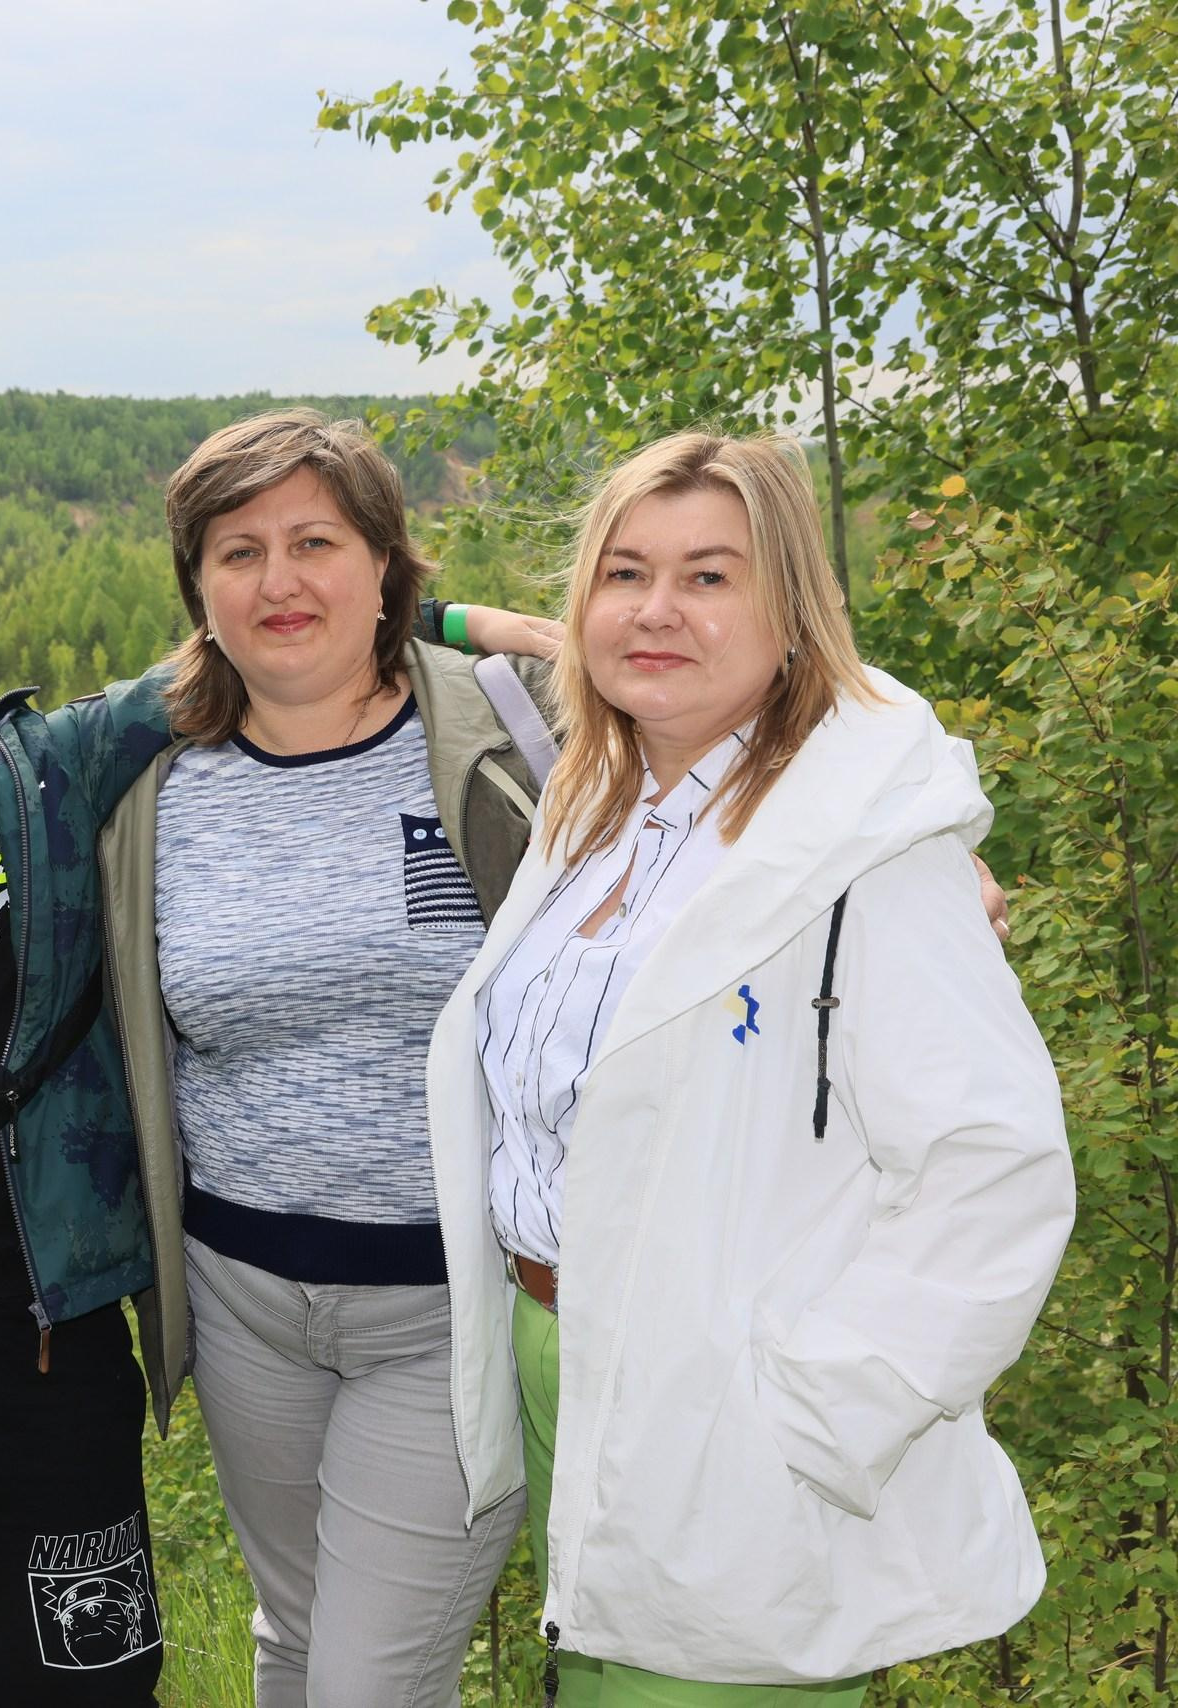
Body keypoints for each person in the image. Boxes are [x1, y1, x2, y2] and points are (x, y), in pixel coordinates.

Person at [0, 558, 539, 1707]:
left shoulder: (44, 775)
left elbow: (251, 643)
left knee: (86, 1667)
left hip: (39, 1320)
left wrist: (448, 616)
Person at [427, 430, 1072, 1703]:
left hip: (738, 1417)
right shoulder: (602, 812)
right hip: (568, 1365)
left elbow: (994, 1170)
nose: (656, 610)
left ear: (791, 610)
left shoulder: (867, 847)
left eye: (710, 577)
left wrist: (815, 1409)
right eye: (624, 573)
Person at [100, 409, 554, 1708]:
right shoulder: (152, 778)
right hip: (245, 1304)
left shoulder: (510, 732)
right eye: (238, 551)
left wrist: (921, 849)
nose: (280, 581)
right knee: (295, 1645)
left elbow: (763, 711)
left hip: (447, 1305)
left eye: (316, 541)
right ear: (196, 584)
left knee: (368, 1686)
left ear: (384, 560)